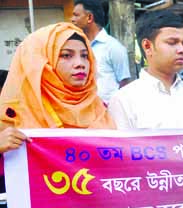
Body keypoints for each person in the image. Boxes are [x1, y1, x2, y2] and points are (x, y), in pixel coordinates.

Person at [1, 22, 114, 154]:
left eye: (84, 56)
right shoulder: (11, 114)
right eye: (66, 55)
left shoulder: (100, 108)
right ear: (42, 64)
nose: (80, 64)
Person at [108, 11, 183, 129]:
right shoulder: (124, 100)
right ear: (148, 46)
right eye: (172, 43)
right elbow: (122, 146)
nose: (182, 50)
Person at [70, 0, 131, 103]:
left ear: (89, 18)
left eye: (76, 15)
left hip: (109, 111)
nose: (72, 20)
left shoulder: (113, 47)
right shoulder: (79, 47)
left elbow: (124, 83)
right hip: (85, 109)